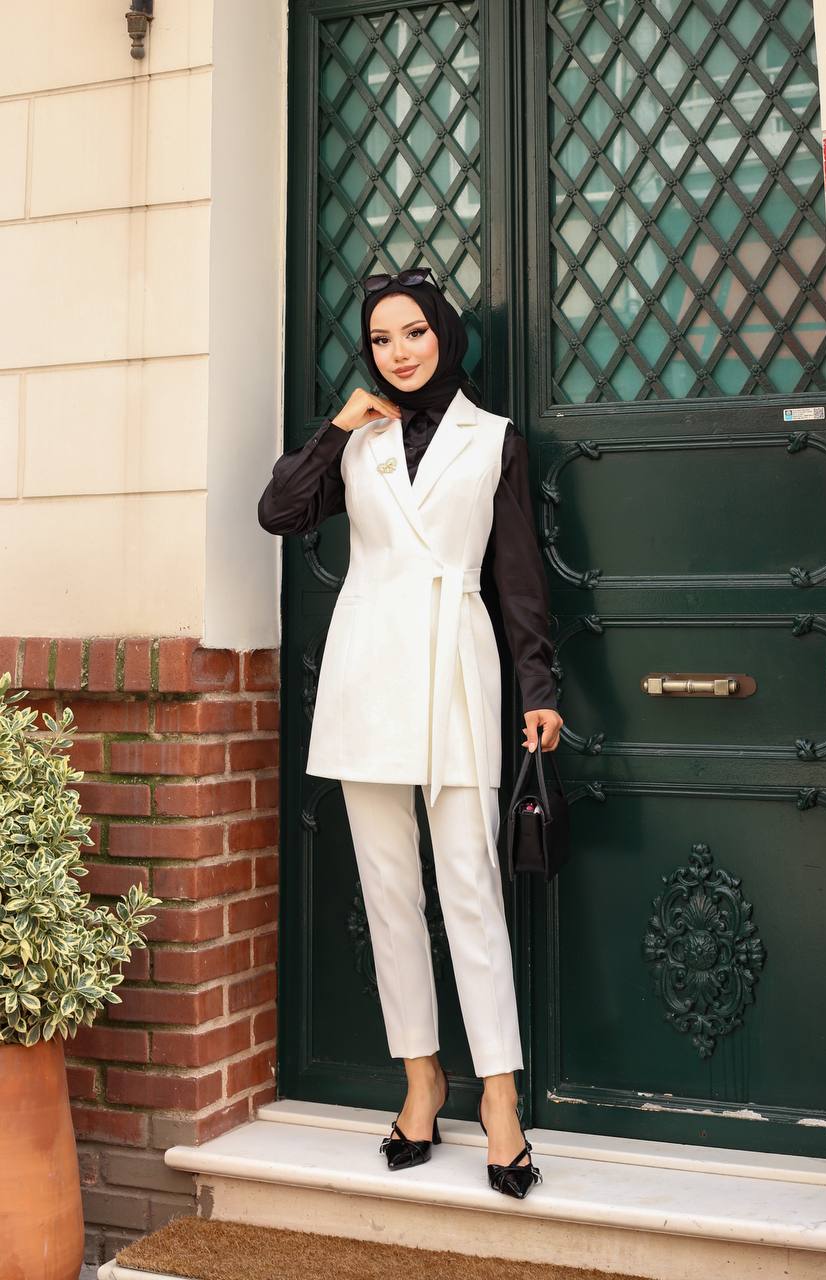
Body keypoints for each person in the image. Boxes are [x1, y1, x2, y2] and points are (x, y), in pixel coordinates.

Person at [258, 266, 563, 1199]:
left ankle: (500, 1097)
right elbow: (278, 512)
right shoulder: (354, 439)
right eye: (382, 337)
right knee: (389, 896)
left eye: (414, 333)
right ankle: (421, 1079)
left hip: (461, 673)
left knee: (470, 890)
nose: (399, 351)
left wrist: (537, 687)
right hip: (369, 676)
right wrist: (337, 424)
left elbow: (516, 574)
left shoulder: (494, 439)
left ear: (445, 335)